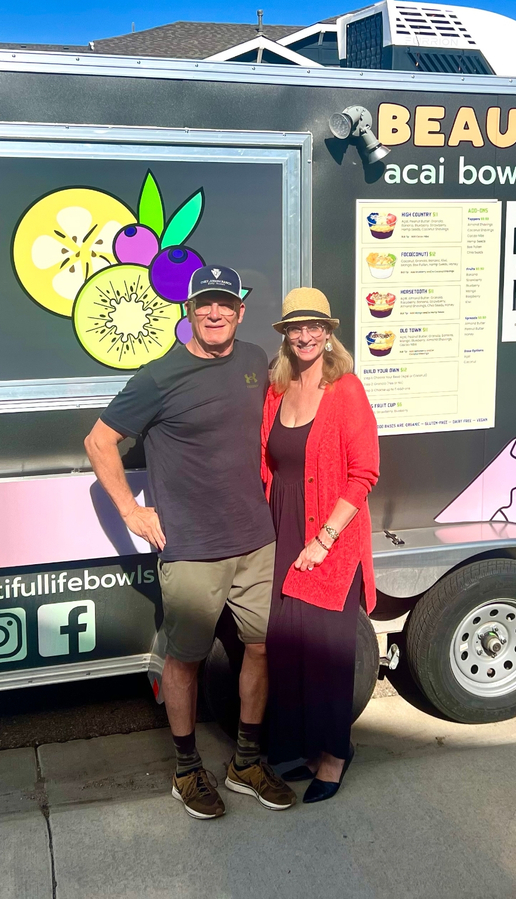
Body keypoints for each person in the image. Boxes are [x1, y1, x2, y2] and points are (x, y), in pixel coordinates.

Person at [84, 265, 295, 820]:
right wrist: (130, 509)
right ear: (189, 311)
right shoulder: (158, 377)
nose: (215, 313)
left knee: (260, 648)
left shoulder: (254, 361)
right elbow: (99, 441)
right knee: (184, 662)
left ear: (240, 311)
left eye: (225, 304)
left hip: (256, 542)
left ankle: (245, 762)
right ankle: (185, 770)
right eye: (205, 304)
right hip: (192, 548)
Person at [260, 287, 380, 804]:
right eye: (295, 327)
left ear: (329, 334)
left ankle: (334, 756)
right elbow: (267, 464)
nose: (305, 336)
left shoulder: (346, 389)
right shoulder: (275, 390)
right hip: (281, 532)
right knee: (290, 651)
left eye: (315, 327)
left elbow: (364, 474)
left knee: (329, 656)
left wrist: (323, 540)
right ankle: (307, 749)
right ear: (285, 336)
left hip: (330, 538)